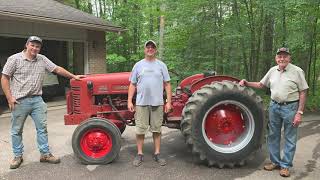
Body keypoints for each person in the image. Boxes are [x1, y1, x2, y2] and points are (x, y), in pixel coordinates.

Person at [1, 36, 84, 169]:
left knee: (42, 129)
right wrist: (9, 98)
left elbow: (57, 69)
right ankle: (17, 156)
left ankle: (45, 154)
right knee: (16, 131)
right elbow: (4, 78)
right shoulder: (14, 59)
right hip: (19, 101)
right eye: (32, 45)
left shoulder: (42, 59)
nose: (35, 48)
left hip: (37, 100)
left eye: (37, 46)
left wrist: (73, 76)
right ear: (27, 45)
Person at [239, 47, 308, 177]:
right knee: (273, 135)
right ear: (276, 58)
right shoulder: (272, 71)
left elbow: (303, 92)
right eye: (279, 56)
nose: (282, 58)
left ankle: (286, 166)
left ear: (289, 58)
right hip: (274, 107)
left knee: (290, 137)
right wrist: (247, 83)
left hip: (291, 108)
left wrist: (300, 112)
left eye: (285, 56)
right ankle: (275, 162)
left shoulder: (297, 71)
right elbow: (261, 85)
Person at [127, 40, 172, 167]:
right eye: (148, 47)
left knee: (156, 130)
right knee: (140, 130)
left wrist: (169, 102)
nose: (150, 49)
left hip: (157, 103)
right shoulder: (138, 65)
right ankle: (140, 154)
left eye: (153, 47)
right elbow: (132, 84)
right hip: (141, 103)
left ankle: (157, 153)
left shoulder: (161, 65)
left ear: (155, 50)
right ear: (144, 49)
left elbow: (167, 84)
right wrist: (130, 100)